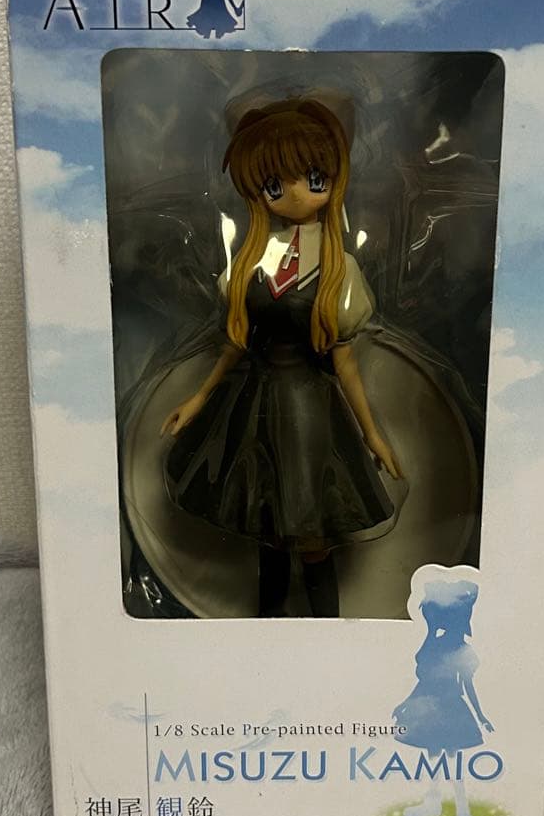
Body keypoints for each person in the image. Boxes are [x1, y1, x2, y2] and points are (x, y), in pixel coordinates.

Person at [161, 98, 403, 617]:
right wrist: (198, 399)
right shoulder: (253, 260)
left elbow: (346, 362)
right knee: (267, 533)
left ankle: (328, 633)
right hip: (252, 412)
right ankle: (266, 630)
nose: (294, 194)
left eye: (312, 179)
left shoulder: (338, 268)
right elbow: (235, 344)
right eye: (275, 185)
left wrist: (373, 434)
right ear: (259, 191)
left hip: (310, 413)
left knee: (312, 537)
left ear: (332, 179)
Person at [393, 574, 493, 816]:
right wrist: (404, 704)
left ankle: (463, 810)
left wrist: (481, 716)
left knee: (453, 762)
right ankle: (433, 802)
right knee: (433, 758)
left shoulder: (462, 650)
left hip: (450, 710)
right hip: (429, 708)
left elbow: (467, 686)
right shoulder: (434, 643)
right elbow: (425, 681)